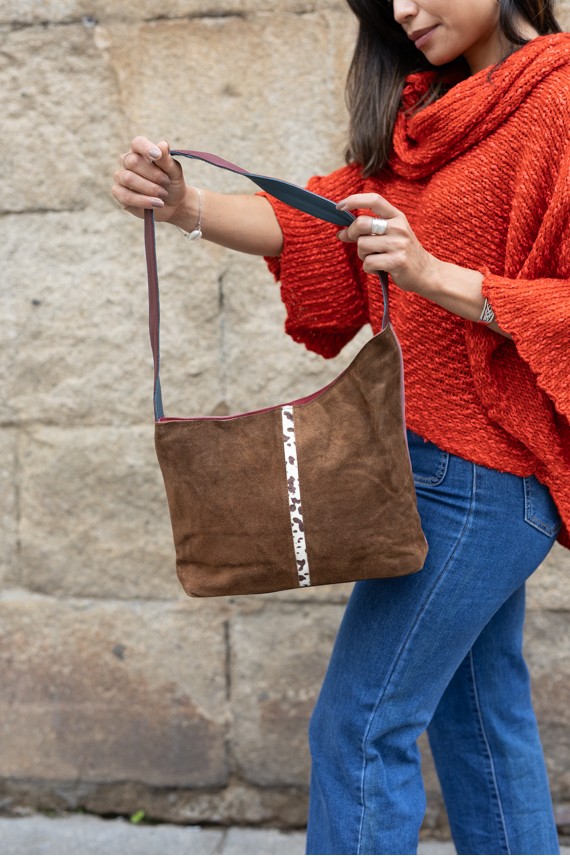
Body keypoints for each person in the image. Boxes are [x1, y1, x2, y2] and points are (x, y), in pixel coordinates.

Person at [112, 1, 570, 853]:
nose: (402, 9)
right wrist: (186, 203)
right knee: (480, 729)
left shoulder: (558, 102)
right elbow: (323, 225)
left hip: (487, 482)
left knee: (359, 729)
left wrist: (437, 274)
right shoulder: (430, 114)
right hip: (430, 469)